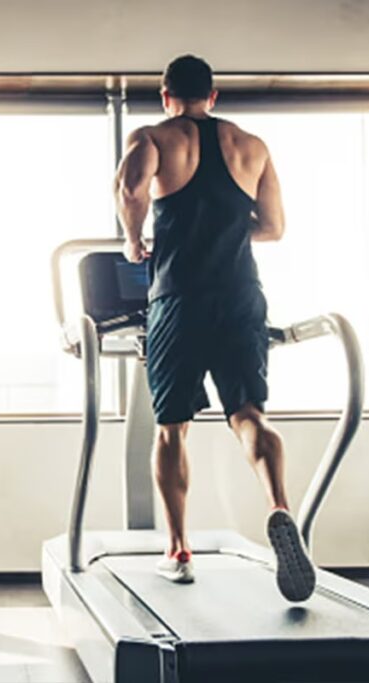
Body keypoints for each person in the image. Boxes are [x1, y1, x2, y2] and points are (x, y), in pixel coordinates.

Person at [114, 55, 315, 602]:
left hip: (178, 298)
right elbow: (272, 227)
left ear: (165, 95)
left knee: (171, 428)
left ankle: (178, 549)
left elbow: (131, 190)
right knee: (249, 414)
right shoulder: (252, 146)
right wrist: (224, 225)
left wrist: (134, 242)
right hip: (241, 295)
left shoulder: (153, 137)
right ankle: (279, 507)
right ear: (214, 95)